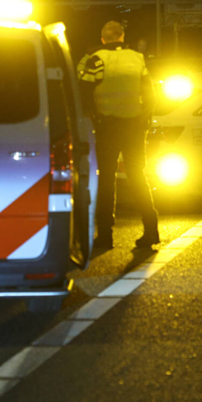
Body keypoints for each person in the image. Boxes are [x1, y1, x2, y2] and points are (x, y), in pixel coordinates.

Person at [78, 21, 159, 251]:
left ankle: (105, 236)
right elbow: (150, 94)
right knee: (138, 178)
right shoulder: (137, 59)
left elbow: (84, 94)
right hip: (134, 127)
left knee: (106, 181)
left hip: (107, 127)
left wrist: (94, 117)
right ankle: (151, 229)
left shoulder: (96, 59)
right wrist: (144, 120)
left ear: (103, 39)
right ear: (122, 37)